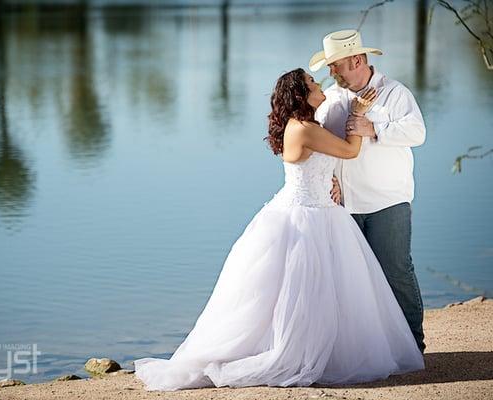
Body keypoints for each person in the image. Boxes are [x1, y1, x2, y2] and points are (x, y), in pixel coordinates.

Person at [133, 68, 424, 391]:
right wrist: (357, 115)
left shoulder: (309, 124)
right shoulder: (302, 128)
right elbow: (350, 150)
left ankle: (327, 352)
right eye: (313, 83)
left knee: (325, 291)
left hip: (321, 211)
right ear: (301, 94)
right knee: (300, 292)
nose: (320, 83)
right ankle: (294, 352)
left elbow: (325, 160)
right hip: (304, 218)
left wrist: (332, 177)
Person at [311, 29, 427, 353]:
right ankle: (367, 349)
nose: (331, 72)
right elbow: (321, 145)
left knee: (396, 272)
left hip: (387, 201)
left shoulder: (395, 93)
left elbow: (418, 132)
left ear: (357, 60)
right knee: (352, 281)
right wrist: (328, 178)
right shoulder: (331, 100)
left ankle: (413, 347)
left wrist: (374, 128)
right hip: (343, 206)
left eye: (336, 65)